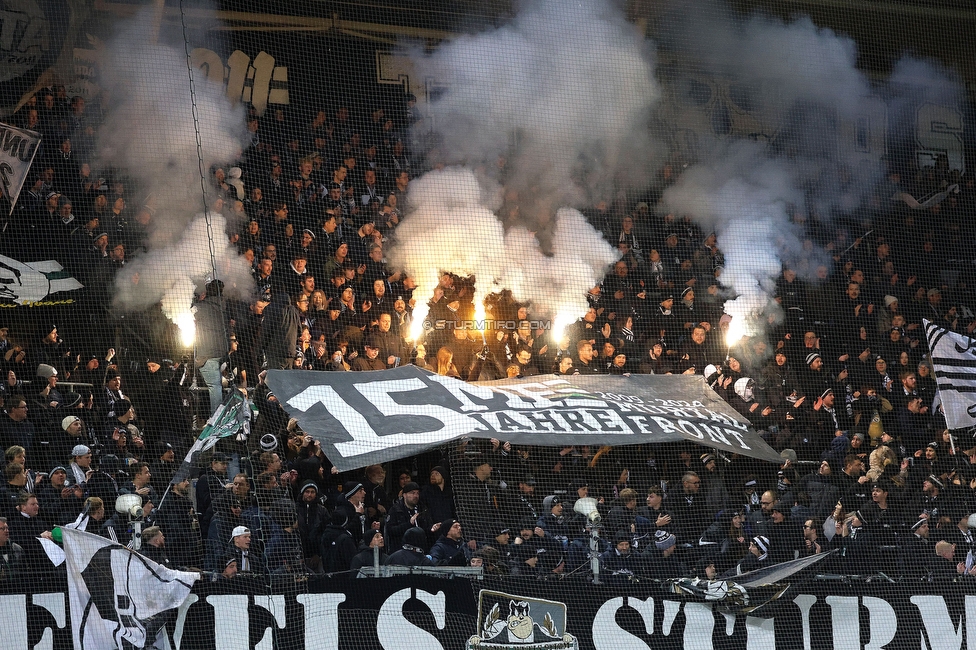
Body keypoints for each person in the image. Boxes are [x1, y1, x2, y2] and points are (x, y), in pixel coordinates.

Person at [194, 280, 230, 415]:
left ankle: (216, 419)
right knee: (216, 386)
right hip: (222, 351)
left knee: (214, 387)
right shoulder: (224, 306)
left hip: (206, 353)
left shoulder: (202, 307)